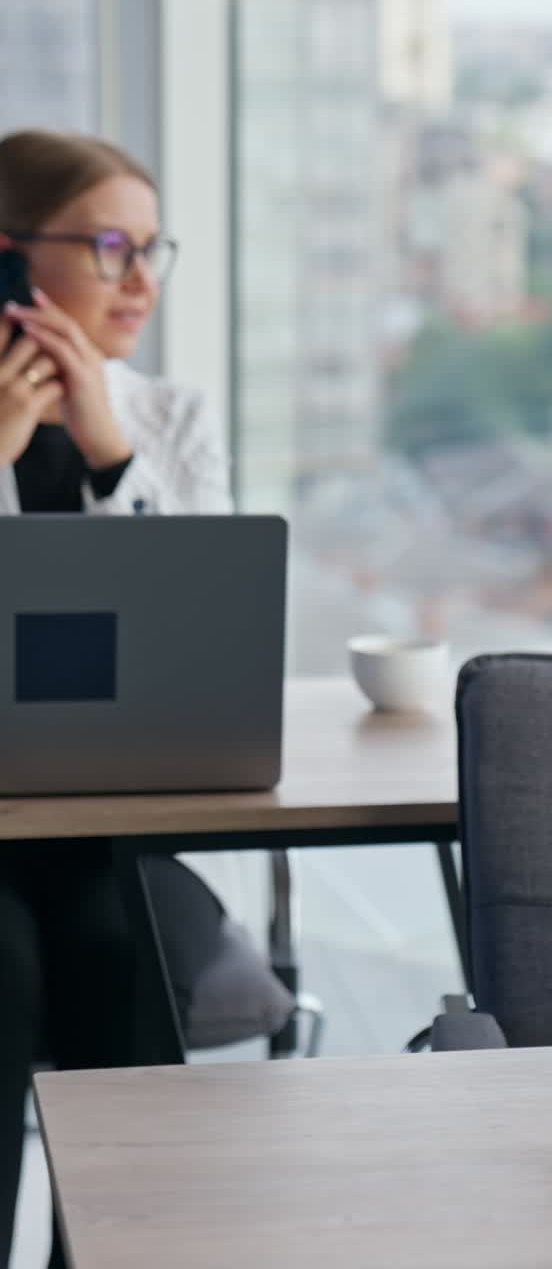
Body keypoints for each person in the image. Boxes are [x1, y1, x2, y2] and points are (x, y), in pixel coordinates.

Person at [0, 128, 232, 1269]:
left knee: (113, 939)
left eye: (153, 249)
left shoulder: (171, 419)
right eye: (108, 247)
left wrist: (107, 460)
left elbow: (201, 646)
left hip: (117, 831)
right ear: (9, 260)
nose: (141, 280)